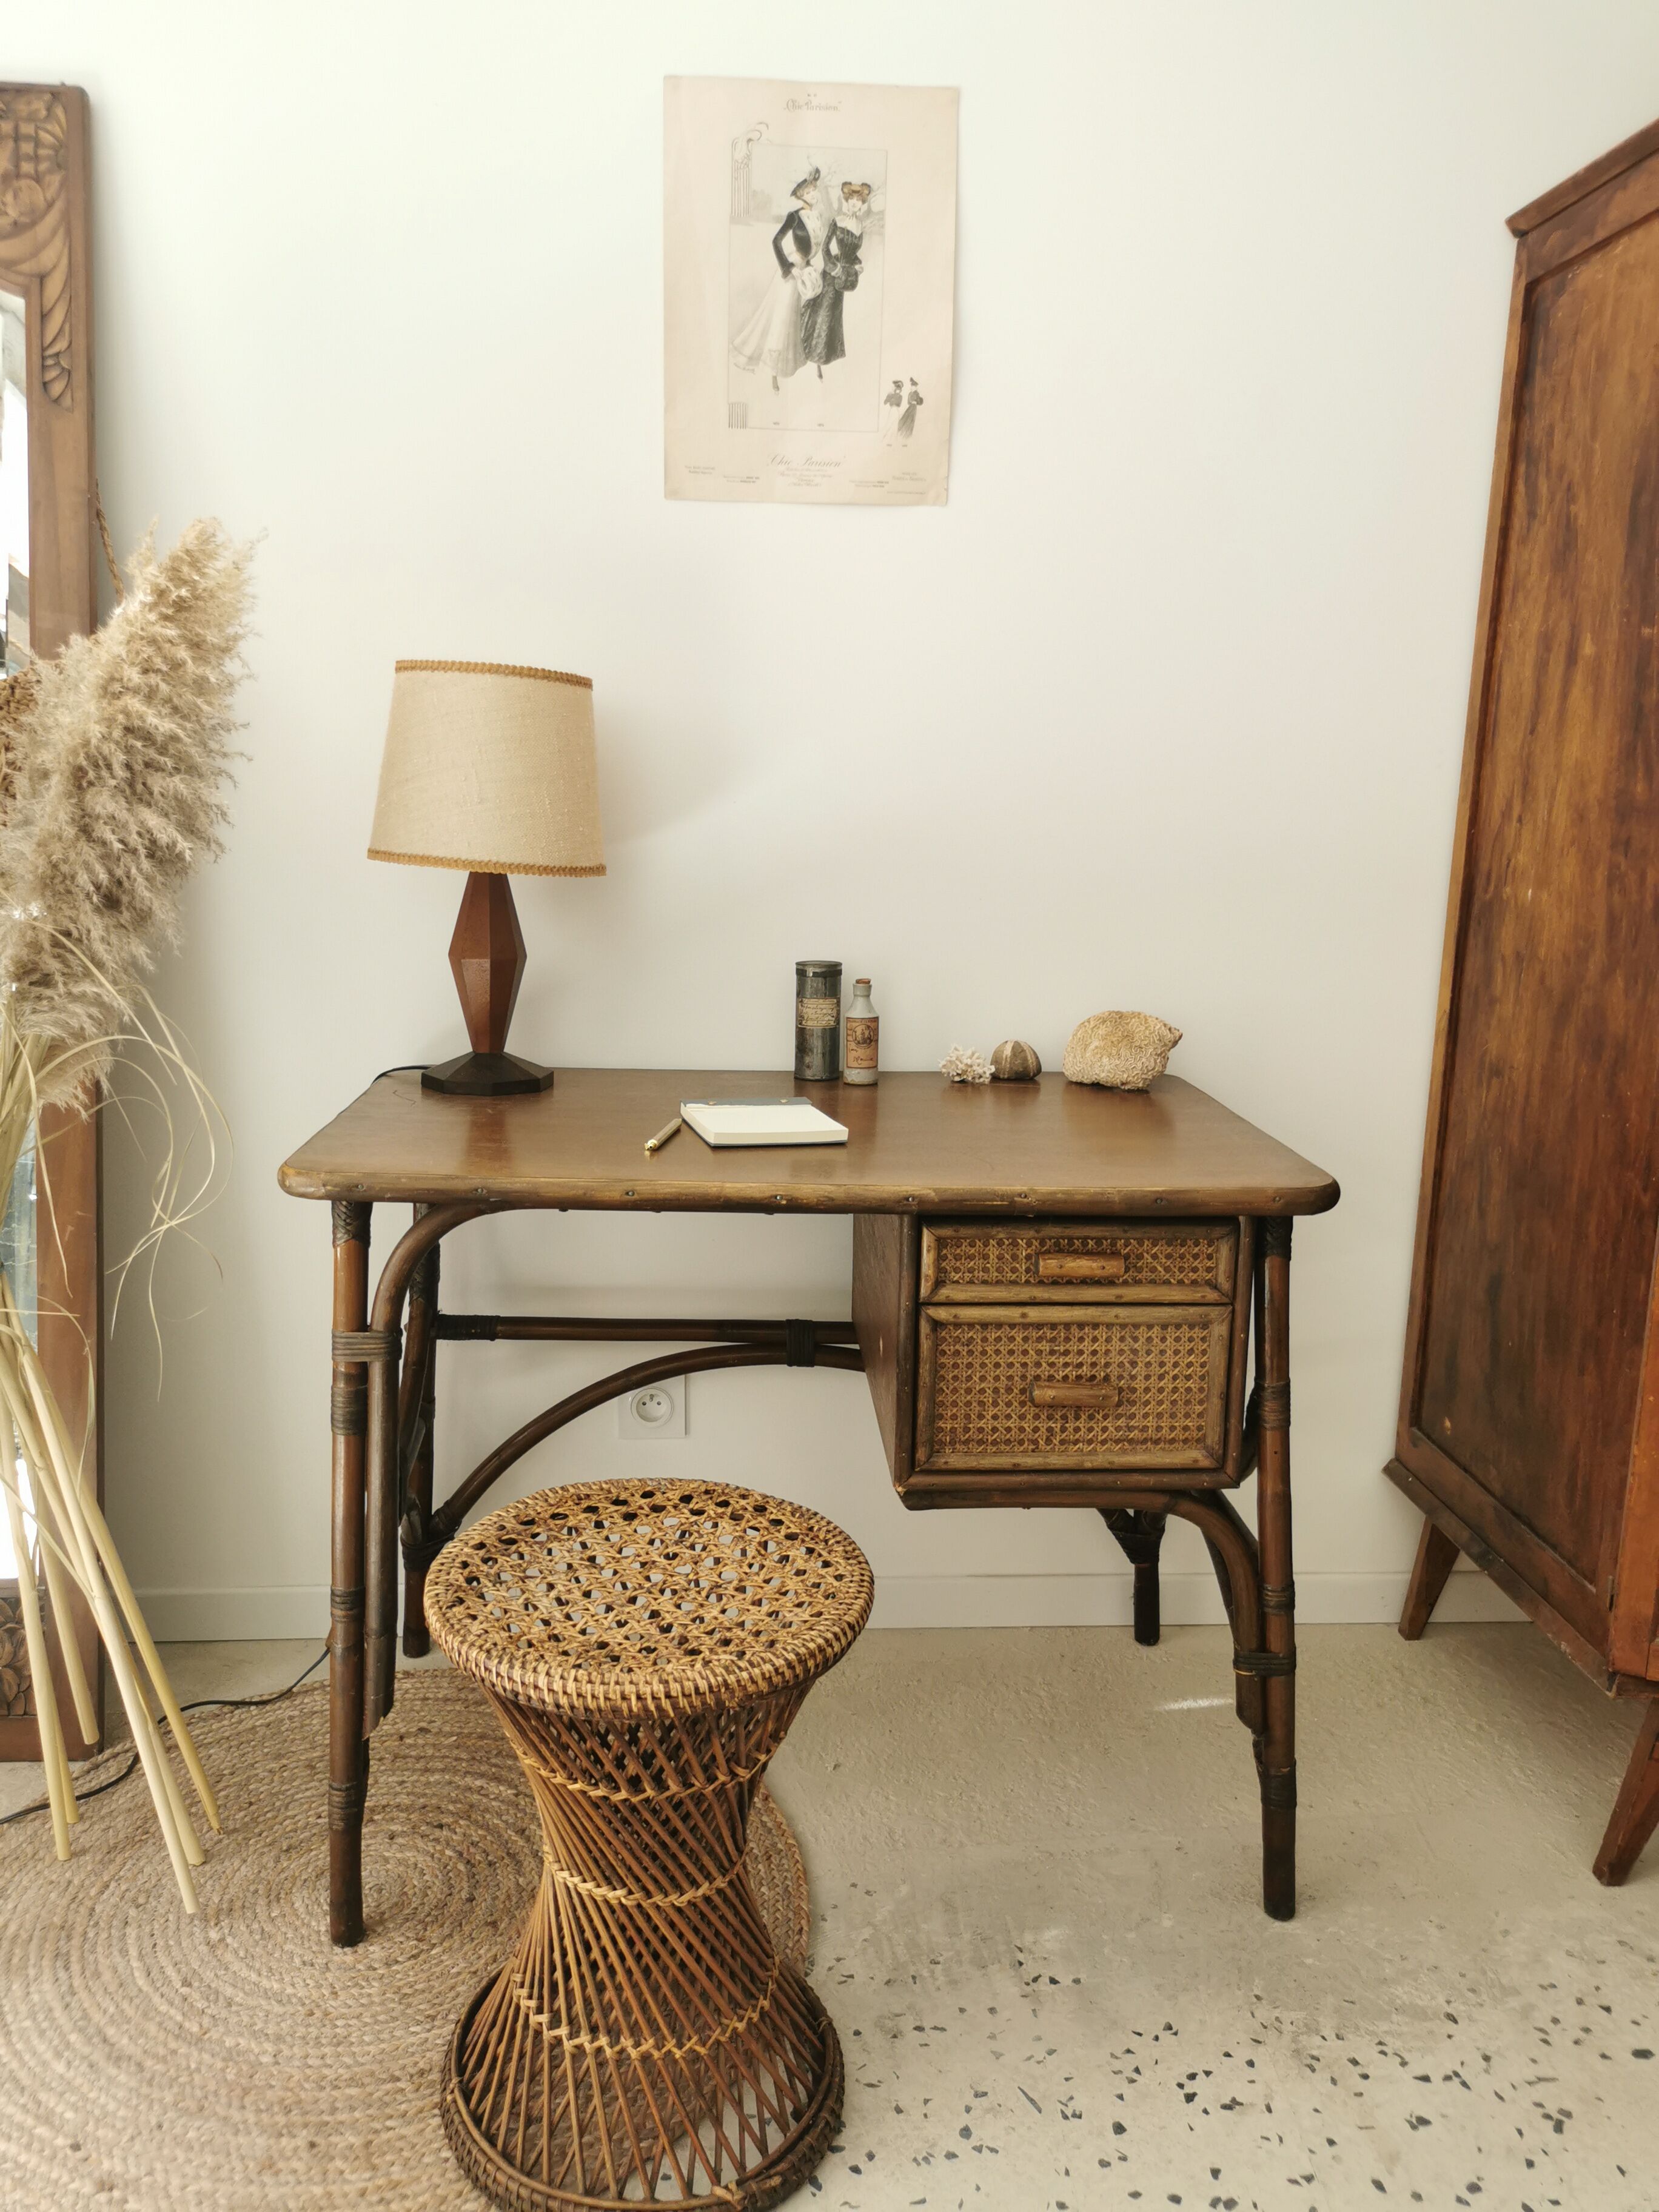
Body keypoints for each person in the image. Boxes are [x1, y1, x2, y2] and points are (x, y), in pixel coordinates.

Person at [730, 169, 823, 390]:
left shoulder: (817, 217)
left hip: (807, 270)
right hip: (792, 273)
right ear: (801, 195)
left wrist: (809, 267)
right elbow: (776, 241)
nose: (813, 195)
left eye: (815, 191)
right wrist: (790, 268)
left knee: (802, 319)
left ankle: (802, 362)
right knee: (782, 319)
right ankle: (773, 373)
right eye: (809, 192)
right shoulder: (794, 216)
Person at [800, 180, 870, 374]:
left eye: (859, 200)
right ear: (846, 200)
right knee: (823, 314)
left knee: (834, 318)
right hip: (833, 274)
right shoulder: (838, 220)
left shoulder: (861, 225)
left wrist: (858, 265)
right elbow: (825, 249)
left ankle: (825, 358)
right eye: (852, 199)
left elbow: (853, 252)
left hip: (846, 277)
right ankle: (815, 360)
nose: (855, 203)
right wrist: (835, 268)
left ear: (862, 203)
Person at [896, 377, 924, 442]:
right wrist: (915, 401)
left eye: (913, 386)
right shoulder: (911, 393)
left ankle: (906, 436)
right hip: (911, 408)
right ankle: (903, 434)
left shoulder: (916, 393)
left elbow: (920, 402)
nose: (912, 387)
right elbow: (909, 402)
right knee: (905, 419)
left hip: (913, 408)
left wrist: (917, 401)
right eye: (912, 386)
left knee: (910, 421)